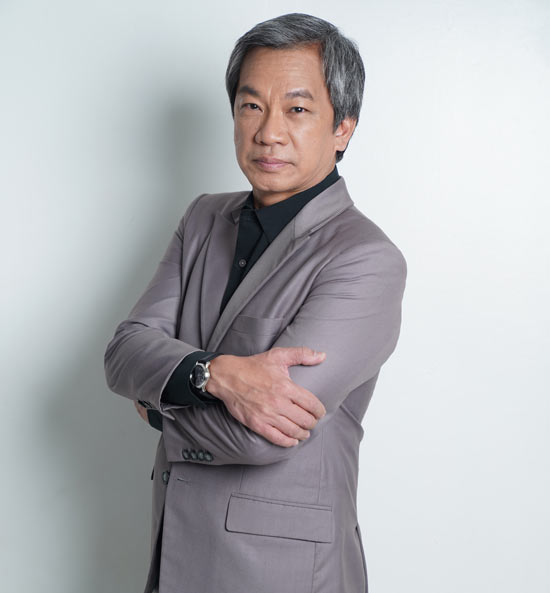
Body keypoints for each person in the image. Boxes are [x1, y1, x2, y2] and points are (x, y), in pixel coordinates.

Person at [104, 12, 406, 593]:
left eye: (297, 109)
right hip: (173, 558)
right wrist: (214, 375)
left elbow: (262, 436)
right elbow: (123, 352)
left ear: (343, 128)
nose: (268, 132)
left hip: (282, 572)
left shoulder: (366, 259)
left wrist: (159, 399)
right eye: (251, 106)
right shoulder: (202, 218)